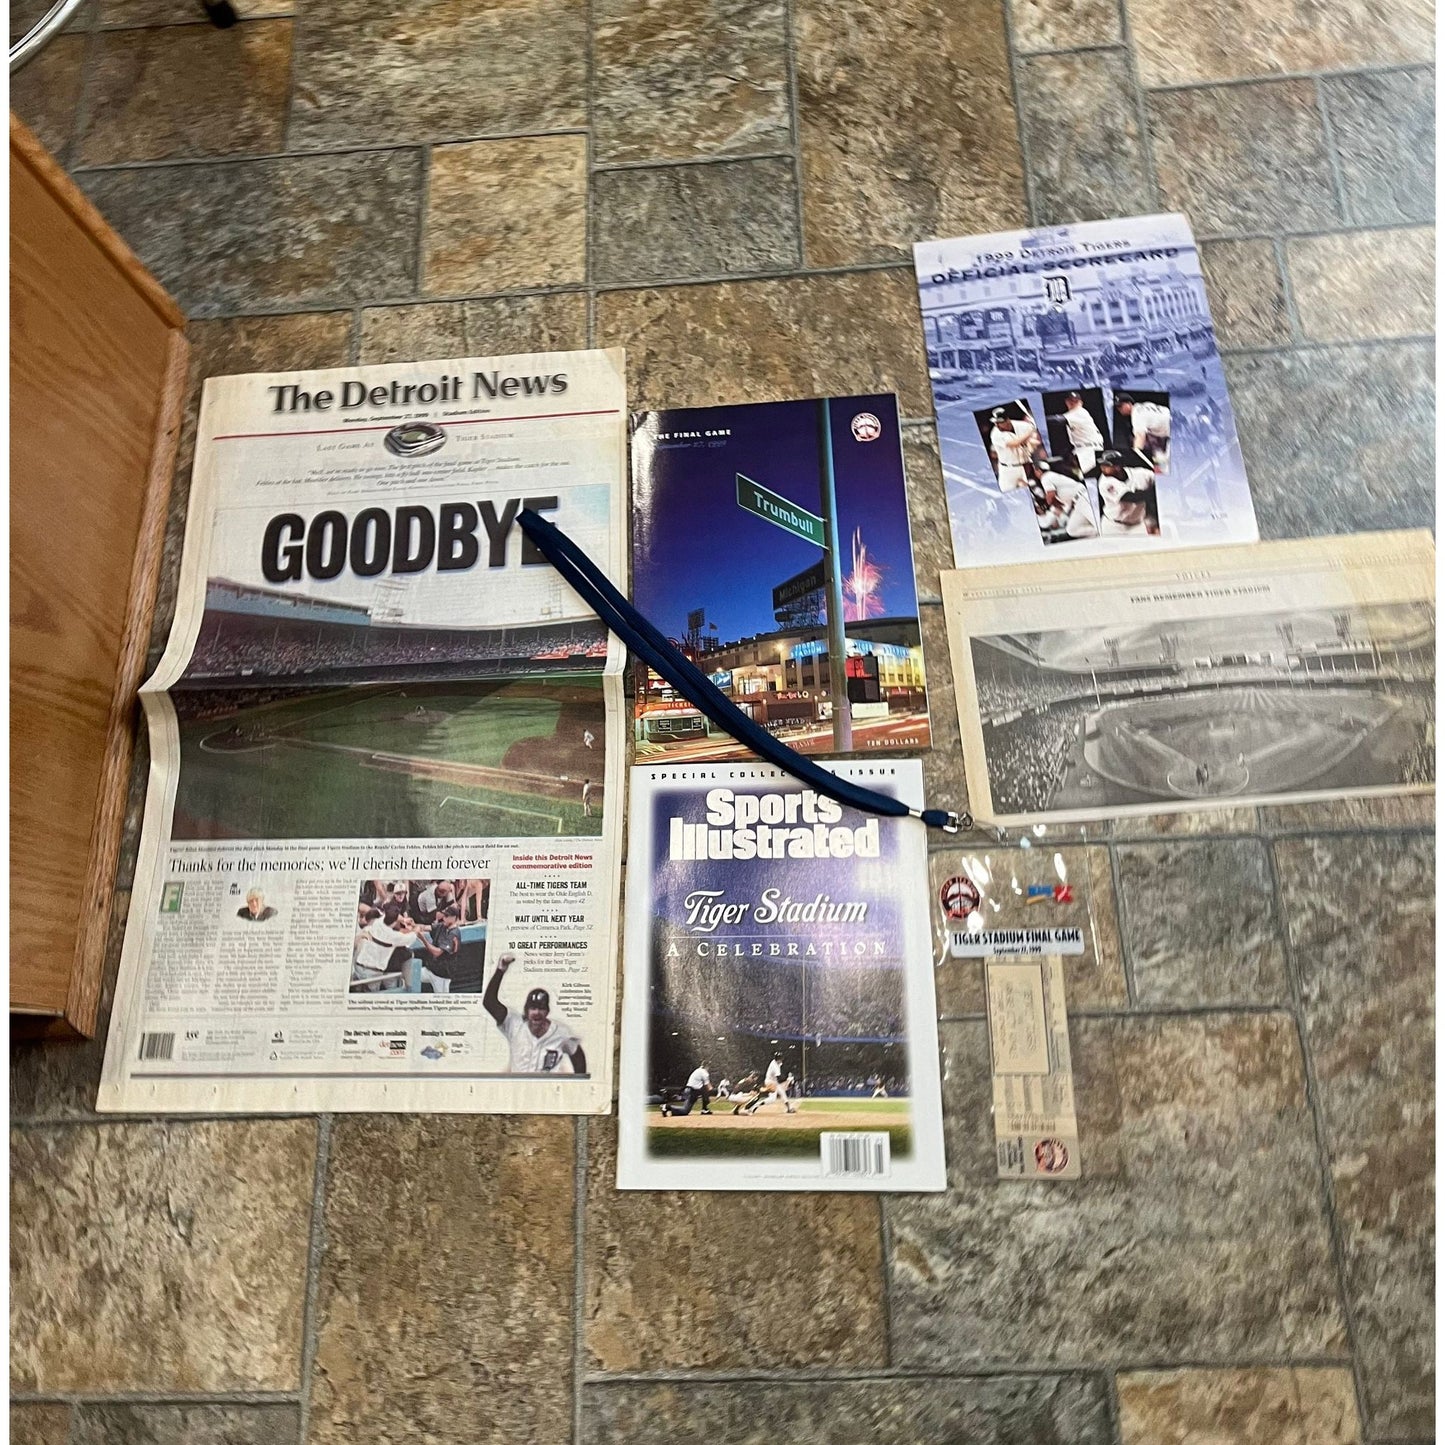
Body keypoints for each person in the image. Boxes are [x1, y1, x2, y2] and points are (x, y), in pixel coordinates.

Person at [483, 953, 586, 1073]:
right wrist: (500, 970)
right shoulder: (514, 1024)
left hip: (546, 1084)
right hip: (518, 1083)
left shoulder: (561, 1032)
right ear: (526, 1011)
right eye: (533, 1008)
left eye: (541, 1008)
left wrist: (578, 1082)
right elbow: (489, 1002)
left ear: (547, 1011)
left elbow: (578, 1057)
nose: (537, 1012)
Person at [352, 904, 418, 990]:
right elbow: (412, 936)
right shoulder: (393, 936)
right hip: (373, 973)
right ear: (395, 921)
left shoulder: (377, 922)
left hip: (358, 966)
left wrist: (404, 919)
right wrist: (416, 928)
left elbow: (387, 916)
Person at [1033, 457, 1098, 541]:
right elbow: (1056, 499)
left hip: (1082, 498)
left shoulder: (1045, 477)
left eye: (1035, 470)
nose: (1035, 473)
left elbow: (1051, 495)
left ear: (1039, 470)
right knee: (1072, 529)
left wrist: (1046, 504)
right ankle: (1098, 535)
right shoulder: (1051, 475)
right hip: (1078, 502)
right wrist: (1056, 505)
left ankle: (1105, 536)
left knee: (1097, 524)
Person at [1096, 451, 1155, 536]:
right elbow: (1131, 498)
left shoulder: (1140, 474)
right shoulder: (1105, 482)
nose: (1102, 468)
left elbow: (1161, 480)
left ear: (1118, 467)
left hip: (1137, 526)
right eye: (1102, 465)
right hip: (1113, 527)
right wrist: (1152, 493)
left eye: (1107, 465)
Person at [413, 904, 464, 994]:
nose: (444, 918)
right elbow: (425, 927)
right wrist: (412, 925)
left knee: (442, 1000)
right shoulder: (442, 926)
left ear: (454, 918)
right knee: (411, 976)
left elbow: (437, 953)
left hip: (442, 975)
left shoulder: (454, 934)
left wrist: (423, 939)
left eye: (447, 916)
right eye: (444, 915)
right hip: (430, 970)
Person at [987, 407, 1040, 491]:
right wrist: (1031, 431)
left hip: (1024, 466)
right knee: (1008, 493)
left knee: (1030, 492)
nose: (997, 425)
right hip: (1008, 470)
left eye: (1000, 422)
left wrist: (1035, 427)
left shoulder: (1020, 425)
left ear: (1007, 420)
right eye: (996, 422)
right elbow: (1015, 444)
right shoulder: (995, 434)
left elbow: (1033, 431)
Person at [1115, 393, 1171, 471]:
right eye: (1117, 406)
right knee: (1162, 460)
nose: (1119, 409)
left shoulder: (1136, 414)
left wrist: (1135, 456)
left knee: (1164, 467)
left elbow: (1140, 437)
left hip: (1177, 431)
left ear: (1129, 404)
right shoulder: (1144, 406)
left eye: (1120, 406)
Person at [1055, 391, 1104, 474]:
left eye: (1075, 401)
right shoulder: (1072, 414)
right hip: (1084, 449)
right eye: (1070, 400)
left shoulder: (1080, 412)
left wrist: (1040, 419)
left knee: (1084, 476)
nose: (1072, 403)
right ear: (1066, 402)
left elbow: (1057, 420)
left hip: (1088, 450)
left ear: (1081, 403)